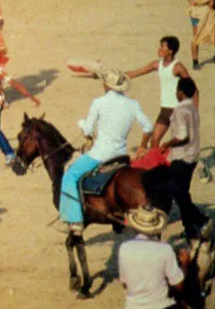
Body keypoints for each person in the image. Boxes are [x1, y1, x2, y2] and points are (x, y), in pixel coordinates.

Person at [61, 70, 153, 235]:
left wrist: (82, 124)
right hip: (121, 156)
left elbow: (88, 130)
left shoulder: (98, 102)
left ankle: (75, 221)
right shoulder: (132, 104)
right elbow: (148, 127)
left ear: (106, 85)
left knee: (70, 175)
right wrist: (142, 146)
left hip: (100, 155)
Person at [143, 78, 214, 241]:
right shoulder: (192, 108)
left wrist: (166, 144)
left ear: (180, 93)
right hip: (193, 156)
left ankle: (201, 219)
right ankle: (190, 230)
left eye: (177, 90)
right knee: (182, 193)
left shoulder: (180, 111)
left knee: (153, 181)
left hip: (181, 158)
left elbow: (182, 136)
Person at [127, 36, 197, 148]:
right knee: (154, 141)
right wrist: (118, 76)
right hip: (165, 110)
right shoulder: (157, 64)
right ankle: (158, 165)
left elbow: (194, 89)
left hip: (177, 110)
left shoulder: (178, 67)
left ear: (170, 51)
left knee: (181, 142)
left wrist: (194, 110)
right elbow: (136, 72)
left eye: (162, 47)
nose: (159, 49)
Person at [118, 206, 190, 309]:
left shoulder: (124, 248)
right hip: (161, 307)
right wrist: (185, 263)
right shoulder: (165, 249)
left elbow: (125, 284)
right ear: (157, 228)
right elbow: (178, 285)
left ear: (136, 226)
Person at [183, 0, 215, 70]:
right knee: (196, 36)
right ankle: (195, 60)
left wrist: (213, 1)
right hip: (197, 10)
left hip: (210, 9)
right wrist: (191, 0)